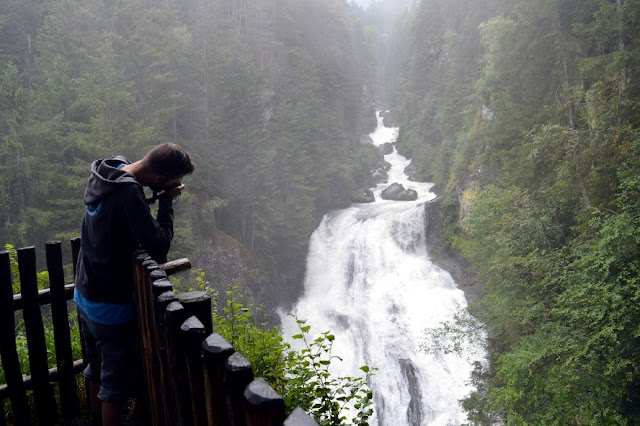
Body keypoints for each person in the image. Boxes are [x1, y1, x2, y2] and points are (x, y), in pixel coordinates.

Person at [74, 143, 195, 425]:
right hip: (110, 303)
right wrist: (167, 201)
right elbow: (158, 247)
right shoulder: (129, 192)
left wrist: (157, 193)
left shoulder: (110, 169)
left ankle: (94, 418)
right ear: (158, 180)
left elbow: (128, 211)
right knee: (114, 385)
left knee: (96, 365)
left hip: (85, 291)